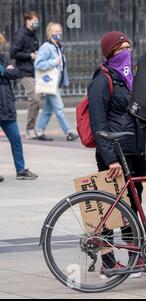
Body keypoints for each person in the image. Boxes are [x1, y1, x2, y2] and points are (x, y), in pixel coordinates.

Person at [88, 31, 146, 279]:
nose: (126, 52)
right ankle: (107, 262)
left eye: (129, 47)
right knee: (109, 208)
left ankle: (133, 255)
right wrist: (111, 159)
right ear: (110, 53)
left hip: (136, 152)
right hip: (115, 155)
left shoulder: (133, 79)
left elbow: (142, 118)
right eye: (121, 49)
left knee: (133, 206)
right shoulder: (101, 81)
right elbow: (98, 123)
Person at [0, 33, 38, 181]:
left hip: (6, 104)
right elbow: (8, 72)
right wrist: (5, 71)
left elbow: (15, 72)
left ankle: (21, 170)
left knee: (16, 138)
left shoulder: (4, 57)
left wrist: (5, 71)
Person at [34, 22, 79, 142]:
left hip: (56, 84)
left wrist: (65, 81)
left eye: (59, 31)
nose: (58, 34)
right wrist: (54, 62)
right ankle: (68, 132)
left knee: (48, 110)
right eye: (55, 31)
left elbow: (62, 67)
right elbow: (38, 63)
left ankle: (39, 131)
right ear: (49, 33)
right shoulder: (46, 47)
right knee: (59, 108)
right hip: (50, 84)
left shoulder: (58, 46)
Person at [10, 11, 40, 140]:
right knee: (34, 98)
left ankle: (35, 127)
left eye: (37, 20)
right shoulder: (21, 34)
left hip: (34, 70)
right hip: (24, 71)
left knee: (37, 100)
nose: (36, 22)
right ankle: (29, 128)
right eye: (34, 20)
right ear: (27, 20)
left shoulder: (33, 34)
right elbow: (13, 53)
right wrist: (30, 55)